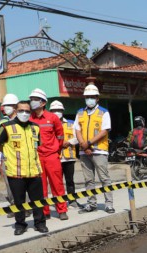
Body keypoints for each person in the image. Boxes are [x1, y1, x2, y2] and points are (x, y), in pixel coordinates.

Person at [0, 100, 48, 236]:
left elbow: (37, 145)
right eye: (22, 110)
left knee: (38, 200)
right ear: (16, 111)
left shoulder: (35, 127)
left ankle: (40, 223)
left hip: (34, 170)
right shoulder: (6, 126)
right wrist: (7, 153)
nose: (25, 113)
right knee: (19, 201)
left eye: (27, 111)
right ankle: (20, 225)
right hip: (15, 171)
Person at [74, 83, 114, 213]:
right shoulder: (80, 113)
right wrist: (83, 145)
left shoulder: (104, 112)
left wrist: (89, 142)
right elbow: (77, 130)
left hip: (99, 151)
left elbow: (104, 131)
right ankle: (91, 203)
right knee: (88, 180)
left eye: (92, 96)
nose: (89, 99)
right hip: (84, 151)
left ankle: (109, 204)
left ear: (97, 98)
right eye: (87, 96)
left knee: (104, 178)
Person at [29, 88, 68, 221]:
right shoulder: (29, 119)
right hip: (37, 157)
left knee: (57, 184)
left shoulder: (53, 118)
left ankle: (62, 210)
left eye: (35, 100)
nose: (32, 102)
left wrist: (56, 150)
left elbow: (60, 135)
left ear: (43, 102)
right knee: (41, 187)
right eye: (31, 100)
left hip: (52, 156)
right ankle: (45, 212)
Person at [50, 100, 80, 206]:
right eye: (54, 110)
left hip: (69, 158)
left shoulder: (71, 124)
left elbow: (78, 137)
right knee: (57, 182)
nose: (57, 112)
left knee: (70, 180)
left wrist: (69, 142)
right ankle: (59, 202)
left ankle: (72, 200)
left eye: (59, 110)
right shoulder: (49, 125)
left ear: (63, 111)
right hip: (55, 158)